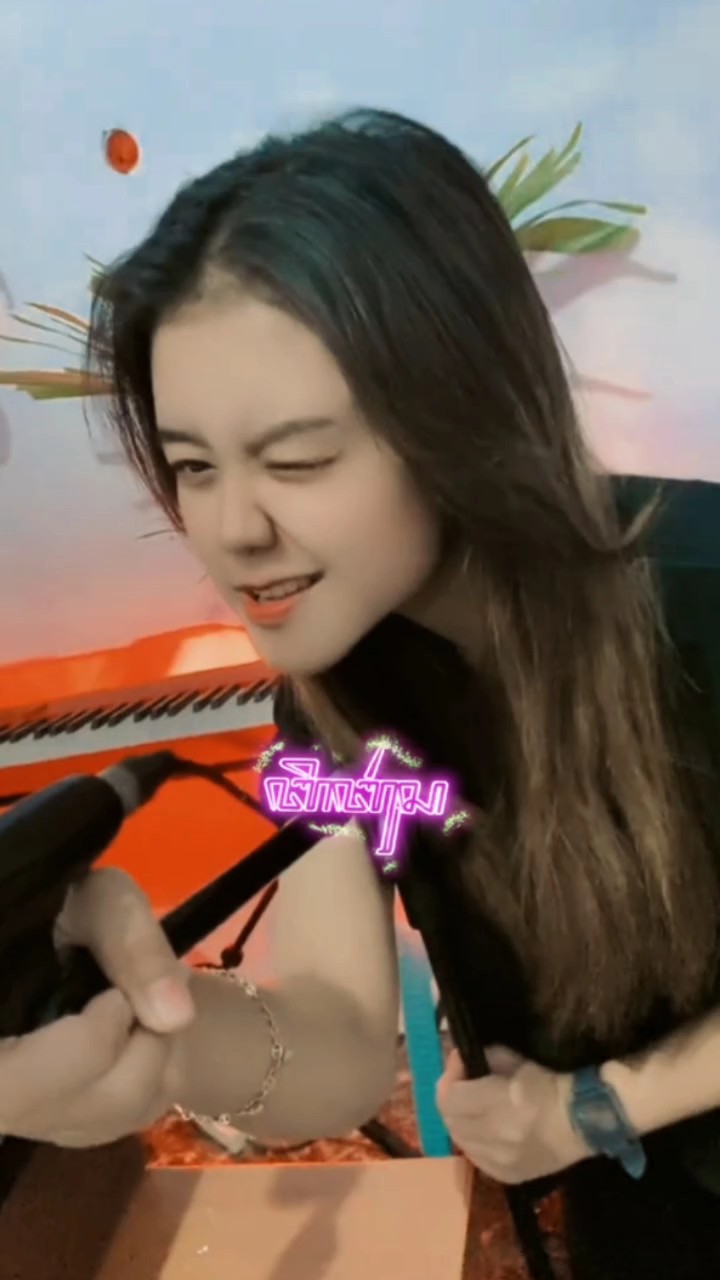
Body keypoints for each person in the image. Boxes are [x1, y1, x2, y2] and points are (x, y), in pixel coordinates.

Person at [3, 107, 720, 1277]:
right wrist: (156, 1032)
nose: (231, 530)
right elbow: (334, 1043)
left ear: (461, 415)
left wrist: (600, 1104)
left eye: (298, 459)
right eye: (192, 466)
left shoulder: (700, 590)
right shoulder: (334, 707)